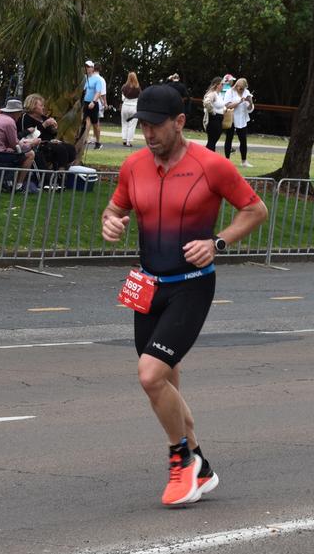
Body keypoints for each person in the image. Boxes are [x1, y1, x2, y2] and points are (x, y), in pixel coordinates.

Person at [101, 84, 268, 506]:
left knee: (150, 374)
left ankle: (181, 461)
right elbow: (115, 209)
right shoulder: (134, 166)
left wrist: (218, 242)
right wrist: (111, 223)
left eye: (156, 126)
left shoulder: (212, 166)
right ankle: (200, 465)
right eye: (143, 127)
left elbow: (255, 210)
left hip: (191, 286)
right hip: (148, 288)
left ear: (179, 123)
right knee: (167, 381)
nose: (149, 135)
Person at [0, 98, 40, 192]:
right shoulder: (10, 122)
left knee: (21, 150)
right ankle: (18, 185)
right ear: (16, 112)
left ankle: (10, 181)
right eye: (20, 113)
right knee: (31, 154)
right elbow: (14, 145)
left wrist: (23, 143)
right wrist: (31, 144)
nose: (20, 116)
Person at [19, 93, 76, 173]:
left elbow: (51, 134)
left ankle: (63, 171)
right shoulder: (25, 118)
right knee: (60, 149)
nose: (43, 107)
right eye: (41, 105)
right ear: (33, 106)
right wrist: (44, 125)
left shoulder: (43, 117)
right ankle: (60, 174)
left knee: (70, 148)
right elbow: (28, 137)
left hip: (50, 143)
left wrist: (54, 129)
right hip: (37, 145)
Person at [224, 77, 255, 166]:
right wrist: (239, 102)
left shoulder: (246, 92)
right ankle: (227, 161)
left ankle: (244, 161)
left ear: (245, 87)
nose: (239, 88)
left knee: (243, 140)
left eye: (241, 87)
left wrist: (250, 101)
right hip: (232, 118)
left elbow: (250, 109)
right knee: (229, 139)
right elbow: (227, 105)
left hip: (242, 119)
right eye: (238, 86)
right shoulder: (230, 92)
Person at [79, 60, 104, 150]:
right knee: (84, 122)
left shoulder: (97, 79)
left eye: (88, 67)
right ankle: (83, 141)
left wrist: (93, 102)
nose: (87, 68)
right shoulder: (84, 78)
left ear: (92, 68)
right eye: (86, 67)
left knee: (95, 124)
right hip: (84, 103)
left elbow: (98, 92)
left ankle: (98, 142)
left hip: (93, 103)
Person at [202, 76, 225, 151]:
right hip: (213, 120)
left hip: (219, 119)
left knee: (213, 141)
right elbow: (206, 102)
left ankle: (209, 157)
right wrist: (212, 112)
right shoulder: (213, 94)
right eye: (222, 84)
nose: (223, 86)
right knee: (212, 142)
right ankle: (207, 158)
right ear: (217, 85)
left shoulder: (219, 94)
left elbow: (221, 106)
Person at [120, 71, 141, 147]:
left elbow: (122, 99)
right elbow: (139, 98)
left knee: (124, 123)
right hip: (134, 107)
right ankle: (129, 142)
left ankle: (124, 140)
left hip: (125, 106)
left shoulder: (124, 87)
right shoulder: (138, 88)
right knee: (132, 125)